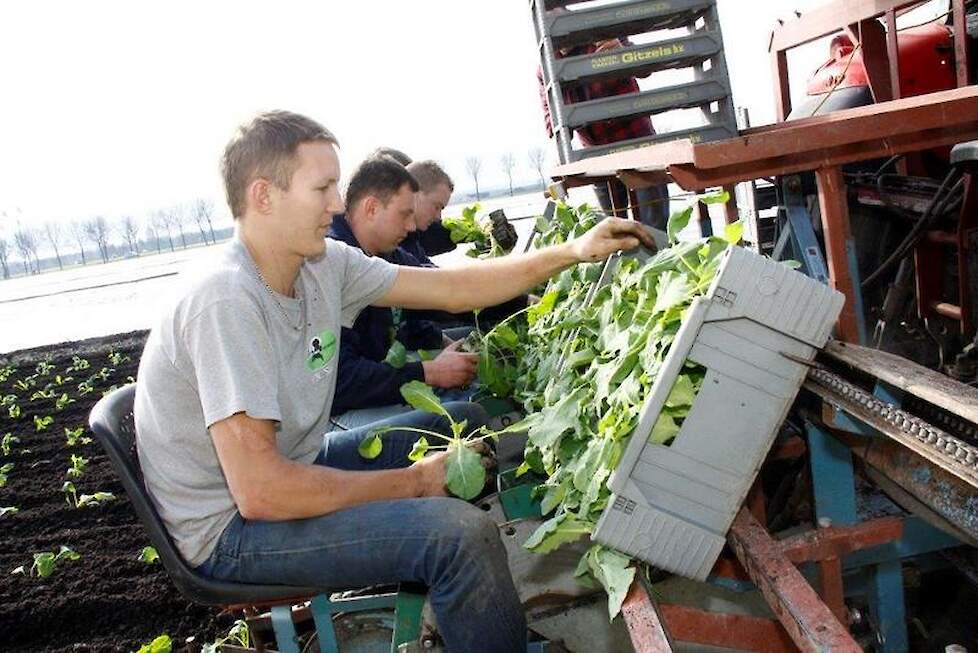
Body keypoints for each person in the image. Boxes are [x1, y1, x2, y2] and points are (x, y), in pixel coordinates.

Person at [133, 110, 653, 653]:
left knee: (448, 428)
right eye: (323, 188)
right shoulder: (226, 302)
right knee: (458, 538)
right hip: (230, 531)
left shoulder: (322, 265)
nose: (338, 204)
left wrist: (571, 252)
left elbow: (452, 290)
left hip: (290, 466)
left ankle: (476, 621)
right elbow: (262, 492)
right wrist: (413, 485)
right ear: (264, 196)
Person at [327, 157, 474, 427]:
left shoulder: (389, 255)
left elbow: (445, 289)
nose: (411, 227)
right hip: (335, 414)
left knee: (463, 398)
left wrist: (522, 298)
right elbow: (340, 382)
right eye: (404, 214)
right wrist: (428, 372)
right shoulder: (331, 263)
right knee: (465, 417)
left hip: (373, 386)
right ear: (371, 208)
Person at [538, 36, 670, 229]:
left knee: (655, 228)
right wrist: (562, 140)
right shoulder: (546, 68)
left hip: (638, 146)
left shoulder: (603, 35)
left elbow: (646, 68)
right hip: (597, 157)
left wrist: (623, 55)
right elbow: (551, 122)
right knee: (615, 229)